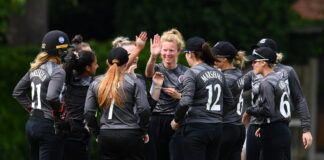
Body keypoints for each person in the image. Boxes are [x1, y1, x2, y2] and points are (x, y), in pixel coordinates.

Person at [171, 37, 234, 160]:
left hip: (197, 128)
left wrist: (177, 120)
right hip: (216, 128)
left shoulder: (191, 72)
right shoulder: (218, 73)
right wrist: (216, 115)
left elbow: (185, 102)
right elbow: (230, 101)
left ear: (190, 54)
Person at [84, 47, 151, 160]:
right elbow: (144, 108)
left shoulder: (96, 82)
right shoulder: (134, 81)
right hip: (130, 133)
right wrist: (143, 130)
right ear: (126, 64)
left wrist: (97, 133)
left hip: (106, 134)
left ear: (107, 62)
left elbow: (88, 111)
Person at [12, 30, 70, 160]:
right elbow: (51, 97)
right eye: (64, 49)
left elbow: (18, 92)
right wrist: (60, 112)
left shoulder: (35, 68)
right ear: (59, 51)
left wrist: (31, 109)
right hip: (49, 126)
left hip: (32, 124)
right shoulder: (58, 70)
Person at [242, 47, 292, 160]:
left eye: (255, 61)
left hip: (273, 132)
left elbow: (267, 110)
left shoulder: (266, 82)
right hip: (283, 129)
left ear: (264, 62)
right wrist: (264, 126)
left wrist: (249, 111)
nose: (252, 64)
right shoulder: (280, 80)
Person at [145, 29, 188, 160]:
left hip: (175, 119)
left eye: (171, 50)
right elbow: (148, 73)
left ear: (178, 51)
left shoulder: (186, 72)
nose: (167, 54)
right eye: (164, 50)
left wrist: (178, 96)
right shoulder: (156, 67)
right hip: (155, 118)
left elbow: (190, 99)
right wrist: (153, 56)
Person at [62, 34, 98, 160]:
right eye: (95, 63)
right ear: (87, 67)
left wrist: (74, 46)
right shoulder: (92, 83)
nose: (97, 66)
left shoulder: (67, 78)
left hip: (71, 127)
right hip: (78, 128)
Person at [211, 41, 246, 160]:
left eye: (215, 56)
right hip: (238, 127)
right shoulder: (238, 72)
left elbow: (215, 103)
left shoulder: (227, 78)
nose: (212, 58)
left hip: (226, 126)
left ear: (224, 59)